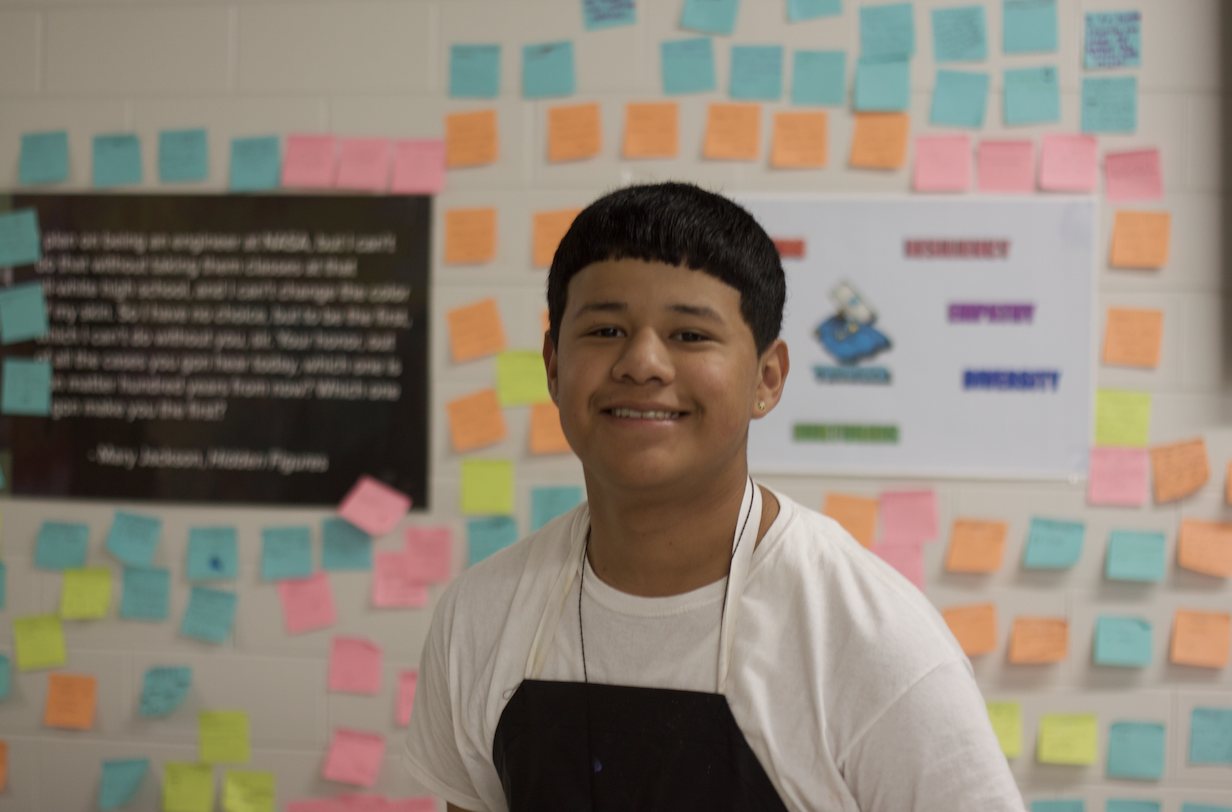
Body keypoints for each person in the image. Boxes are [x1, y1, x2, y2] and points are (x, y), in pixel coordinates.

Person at [403, 182, 1024, 812]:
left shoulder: (872, 641)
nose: (642, 363)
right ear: (554, 366)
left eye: (690, 336)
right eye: (607, 329)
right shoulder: (478, 618)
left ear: (767, 378)